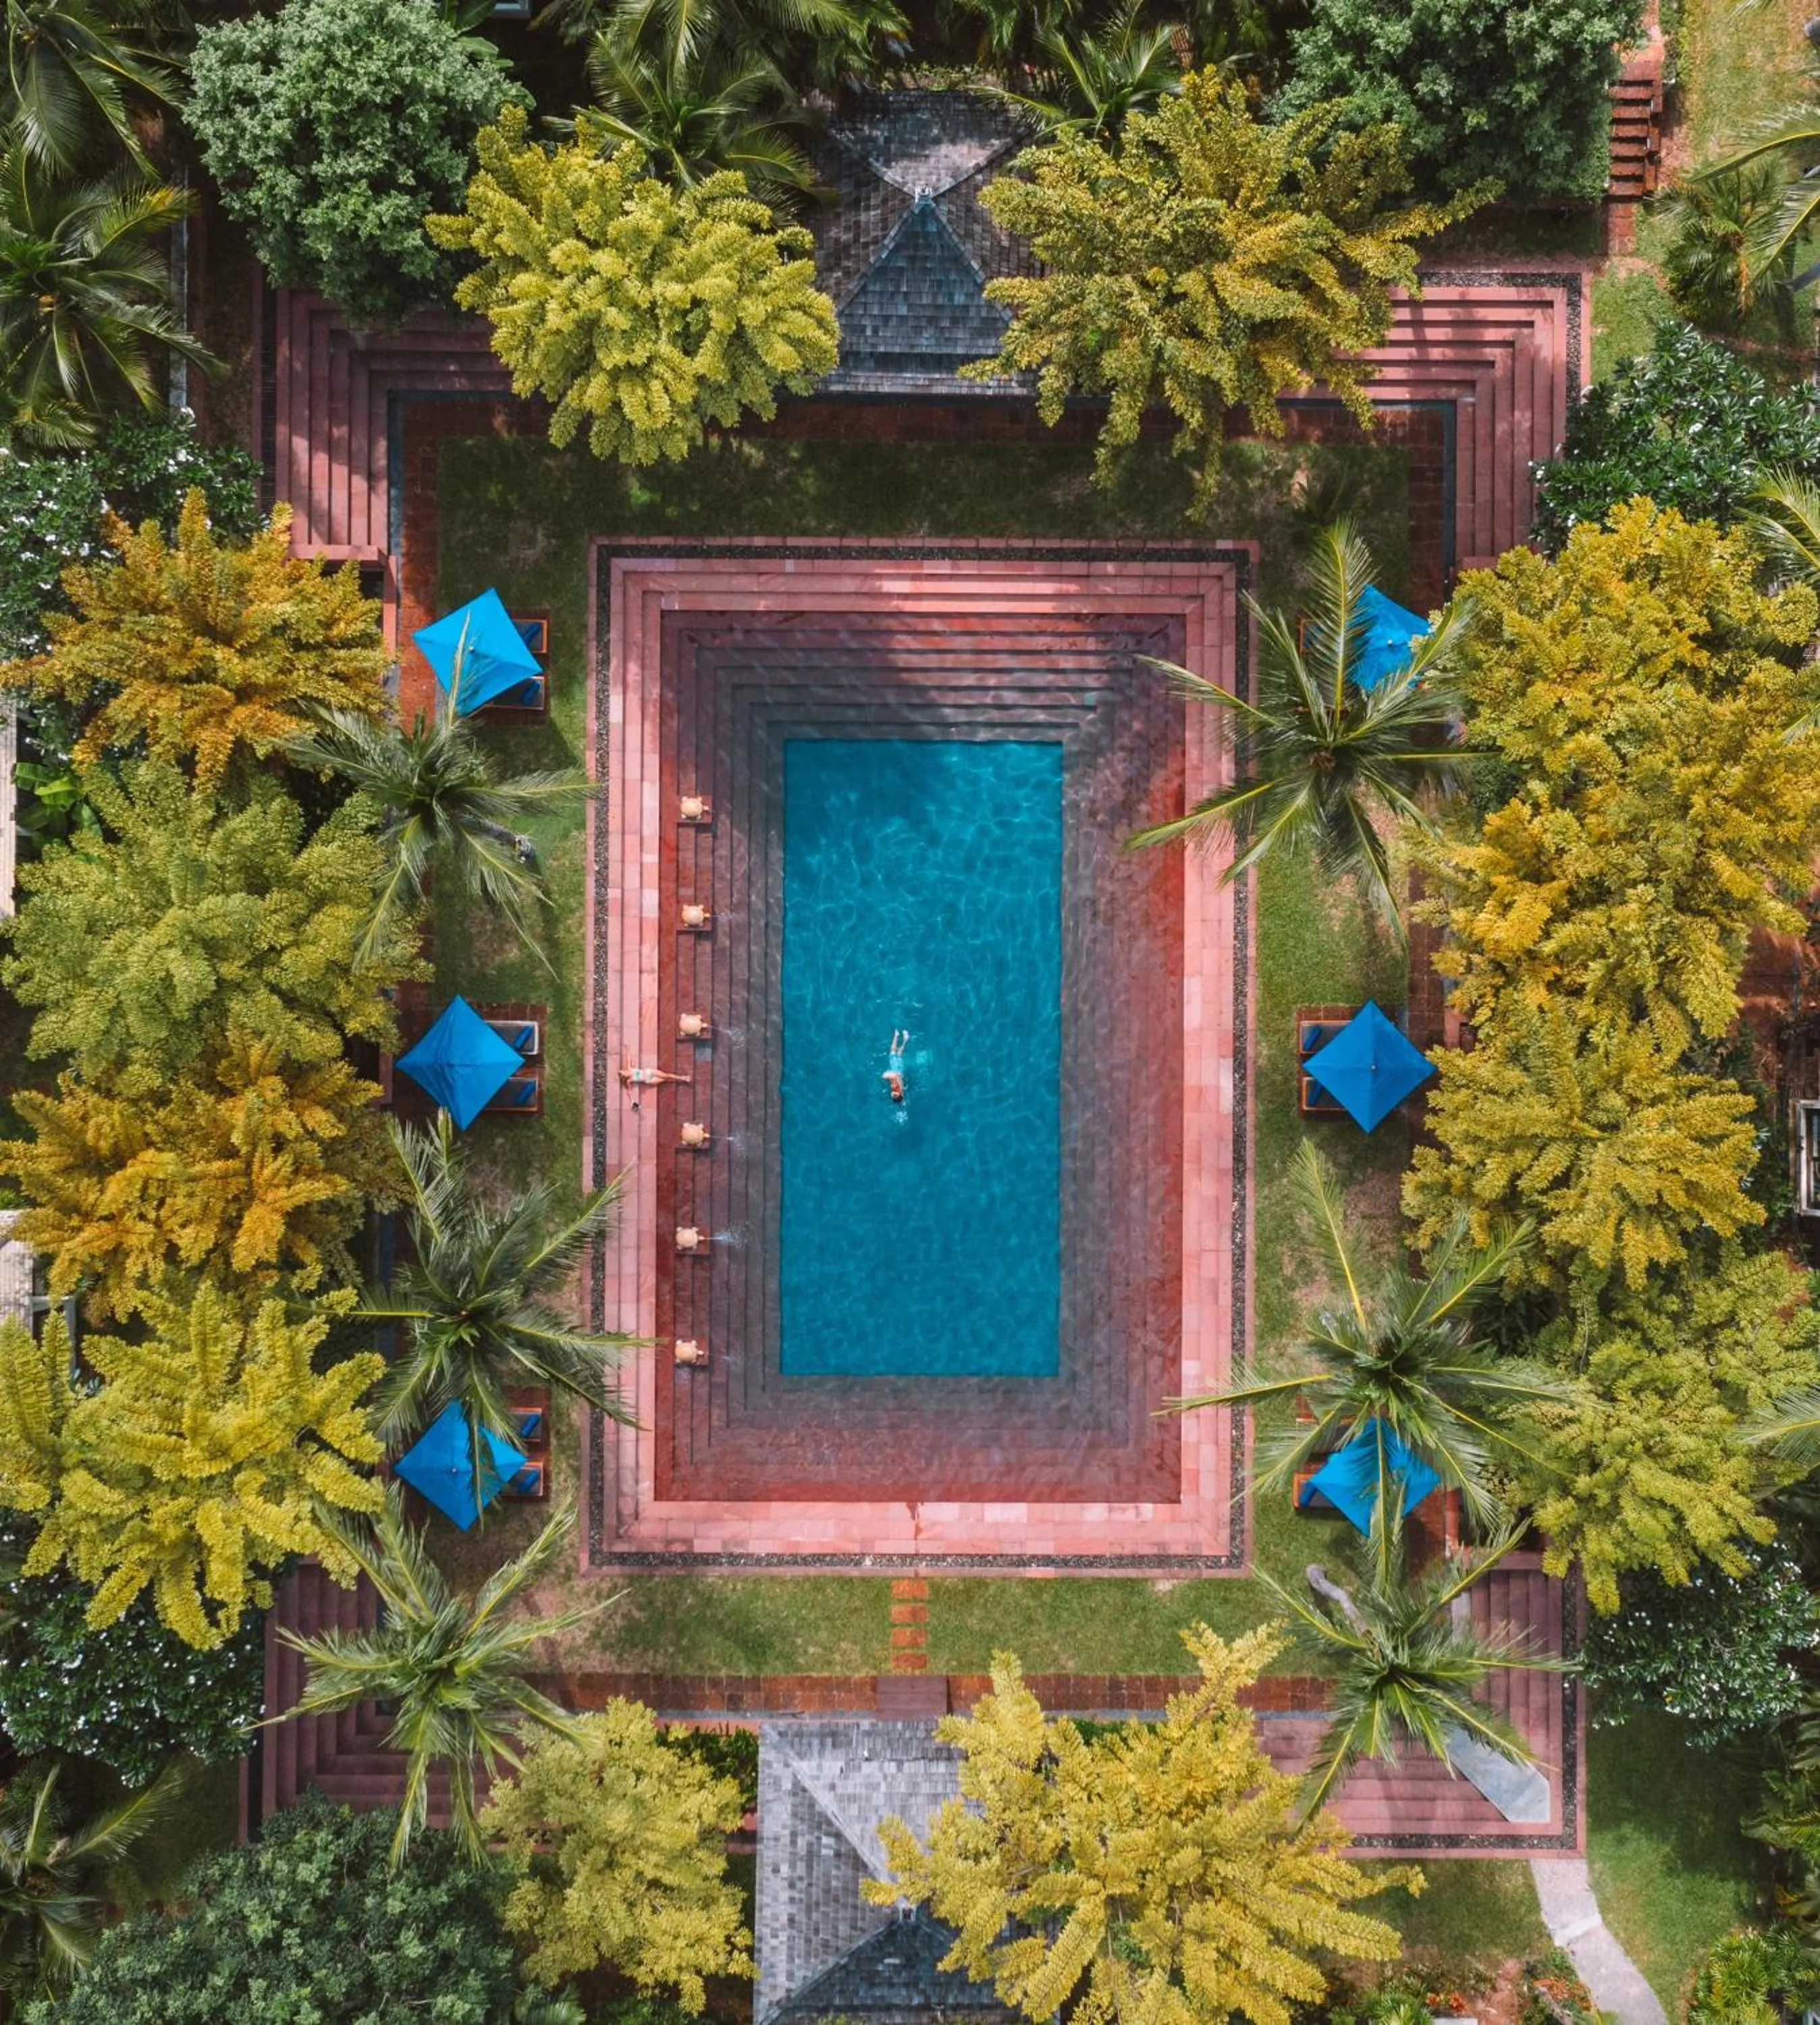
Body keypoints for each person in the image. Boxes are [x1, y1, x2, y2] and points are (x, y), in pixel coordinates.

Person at [884, 1029, 908, 1104]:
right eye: (895, 1095)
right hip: (896, 1069)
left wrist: (903, 1101)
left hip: (900, 1070)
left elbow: (902, 1097)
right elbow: (895, 1076)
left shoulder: (901, 1091)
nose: (893, 1095)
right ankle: (896, 1036)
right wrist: (886, 1076)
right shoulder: (896, 1088)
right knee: (893, 1053)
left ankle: (905, 1039)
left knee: (899, 1054)